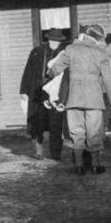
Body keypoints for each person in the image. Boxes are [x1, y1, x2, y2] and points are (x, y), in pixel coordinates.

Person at [47, 24, 111, 174]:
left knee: (76, 133)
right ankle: (95, 165)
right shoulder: (101, 52)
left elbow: (55, 68)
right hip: (94, 99)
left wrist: (49, 75)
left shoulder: (71, 49)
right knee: (94, 133)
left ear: (86, 34)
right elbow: (109, 78)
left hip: (74, 98)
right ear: (99, 39)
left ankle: (79, 166)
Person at [19, 29, 67, 160]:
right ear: (48, 40)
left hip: (55, 93)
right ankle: (39, 151)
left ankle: (56, 153)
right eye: (53, 41)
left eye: (57, 41)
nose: (55, 43)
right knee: (37, 123)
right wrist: (24, 90)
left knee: (56, 123)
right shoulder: (37, 52)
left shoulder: (63, 54)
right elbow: (28, 71)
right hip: (38, 92)